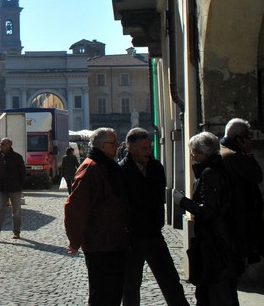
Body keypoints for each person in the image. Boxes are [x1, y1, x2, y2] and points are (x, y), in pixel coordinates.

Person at [119, 128, 189, 306]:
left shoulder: (156, 167)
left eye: (149, 147)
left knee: (170, 281)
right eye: (143, 148)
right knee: (130, 286)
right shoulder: (121, 170)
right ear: (130, 147)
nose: (148, 152)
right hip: (132, 238)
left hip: (153, 234)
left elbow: (157, 198)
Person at [64, 127, 130, 306]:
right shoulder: (91, 168)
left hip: (114, 240)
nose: (117, 146)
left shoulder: (108, 166)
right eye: (113, 143)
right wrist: (75, 241)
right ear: (102, 146)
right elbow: (75, 208)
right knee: (102, 293)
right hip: (100, 242)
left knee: (113, 291)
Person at [174, 131, 240, 306]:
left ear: (203, 153)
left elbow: (208, 210)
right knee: (212, 291)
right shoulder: (218, 169)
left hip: (215, 242)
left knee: (216, 291)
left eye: (193, 152)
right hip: (219, 240)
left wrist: (183, 202)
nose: (191, 155)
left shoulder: (210, 173)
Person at [220, 118, 264, 266]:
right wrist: (249, 153)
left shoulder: (223, 151)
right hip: (238, 218)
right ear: (240, 139)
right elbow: (256, 175)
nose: (250, 141)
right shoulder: (233, 156)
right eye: (248, 137)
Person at [0, 137, 26, 241]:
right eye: (1, 143)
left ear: (9, 145)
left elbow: (23, 173)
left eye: (3, 144)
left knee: (16, 212)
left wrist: (20, 185)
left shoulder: (17, 157)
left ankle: (16, 232)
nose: (1, 145)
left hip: (15, 188)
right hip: (2, 188)